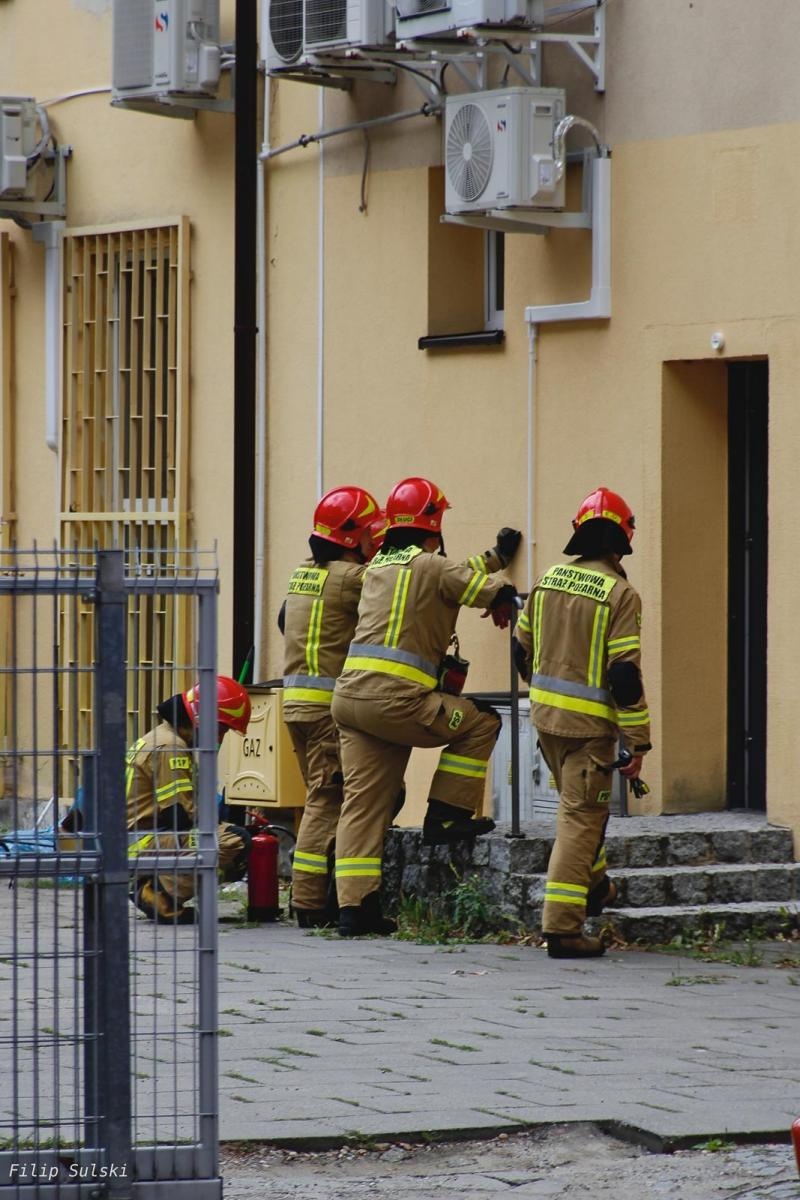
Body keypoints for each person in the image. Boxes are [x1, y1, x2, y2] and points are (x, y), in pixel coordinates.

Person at [331, 476, 522, 937]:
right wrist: (503, 590)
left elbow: (456, 574)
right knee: (482, 721)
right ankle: (447, 816)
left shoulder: (379, 564)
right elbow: (481, 587)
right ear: (433, 522)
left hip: (350, 702)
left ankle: (355, 909)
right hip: (398, 703)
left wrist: (492, 558)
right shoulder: (431, 565)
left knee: (363, 803)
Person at [514, 487, 651, 959]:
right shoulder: (621, 593)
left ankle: (596, 888)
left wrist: (542, 694)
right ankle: (564, 930)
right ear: (623, 539)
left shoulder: (548, 580)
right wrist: (639, 742)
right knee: (581, 819)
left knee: (578, 811)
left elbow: (520, 649)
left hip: (546, 722)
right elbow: (623, 676)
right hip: (589, 732)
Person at [282, 485, 382, 928]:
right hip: (326, 711)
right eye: (368, 534)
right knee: (328, 798)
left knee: (320, 797)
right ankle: (307, 902)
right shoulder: (349, 579)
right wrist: (488, 565)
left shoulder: (303, 573)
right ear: (352, 536)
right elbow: (405, 586)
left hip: (296, 706)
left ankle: (309, 895)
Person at [127, 675, 252, 925]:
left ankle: (155, 883)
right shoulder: (171, 747)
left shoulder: (163, 737)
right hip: (142, 841)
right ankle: (158, 893)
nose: (219, 739)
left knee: (228, 834)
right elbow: (179, 816)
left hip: (143, 836)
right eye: (221, 729)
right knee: (233, 840)